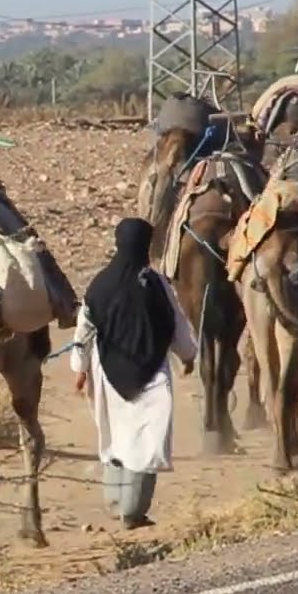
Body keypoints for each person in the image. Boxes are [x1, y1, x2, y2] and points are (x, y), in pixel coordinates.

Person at [70, 218, 197, 529]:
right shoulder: (156, 283)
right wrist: (188, 354)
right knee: (146, 443)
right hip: (151, 374)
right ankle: (133, 512)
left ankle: (116, 505)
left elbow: (84, 329)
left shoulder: (100, 282)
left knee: (114, 437)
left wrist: (80, 367)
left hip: (108, 371)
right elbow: (176, 321)